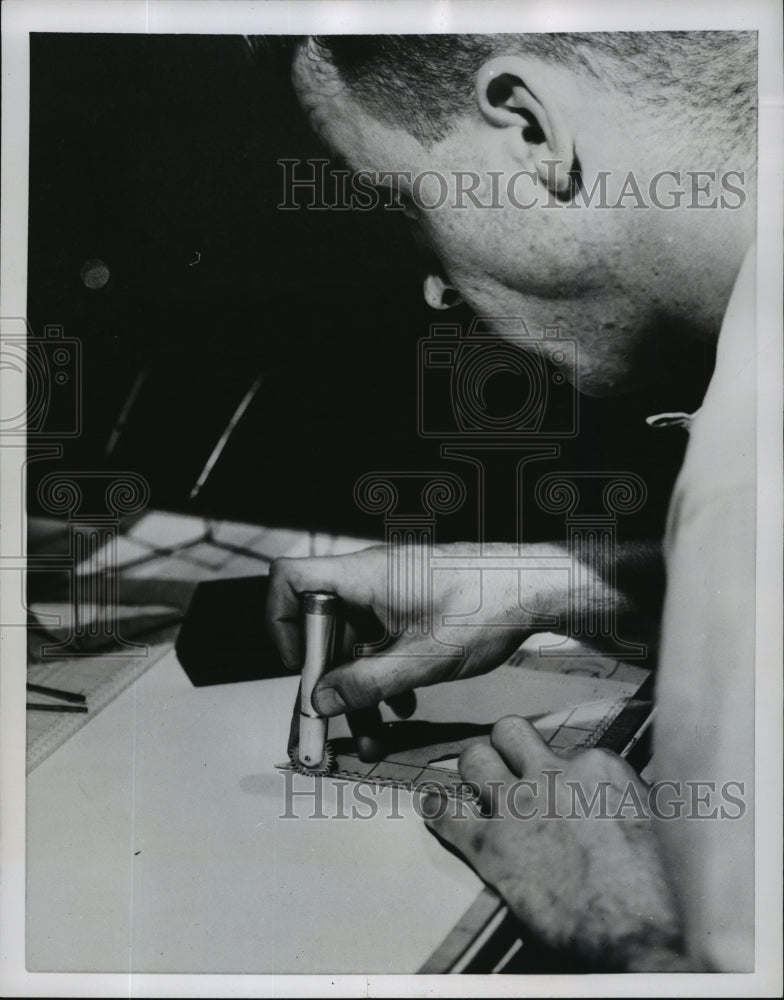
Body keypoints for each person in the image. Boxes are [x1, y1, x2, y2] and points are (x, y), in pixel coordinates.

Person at [264, 32, 757, 971]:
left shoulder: (747, 474)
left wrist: (632, 930)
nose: (434, 285)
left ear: (532, 129)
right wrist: (556, 581)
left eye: (406, 207)